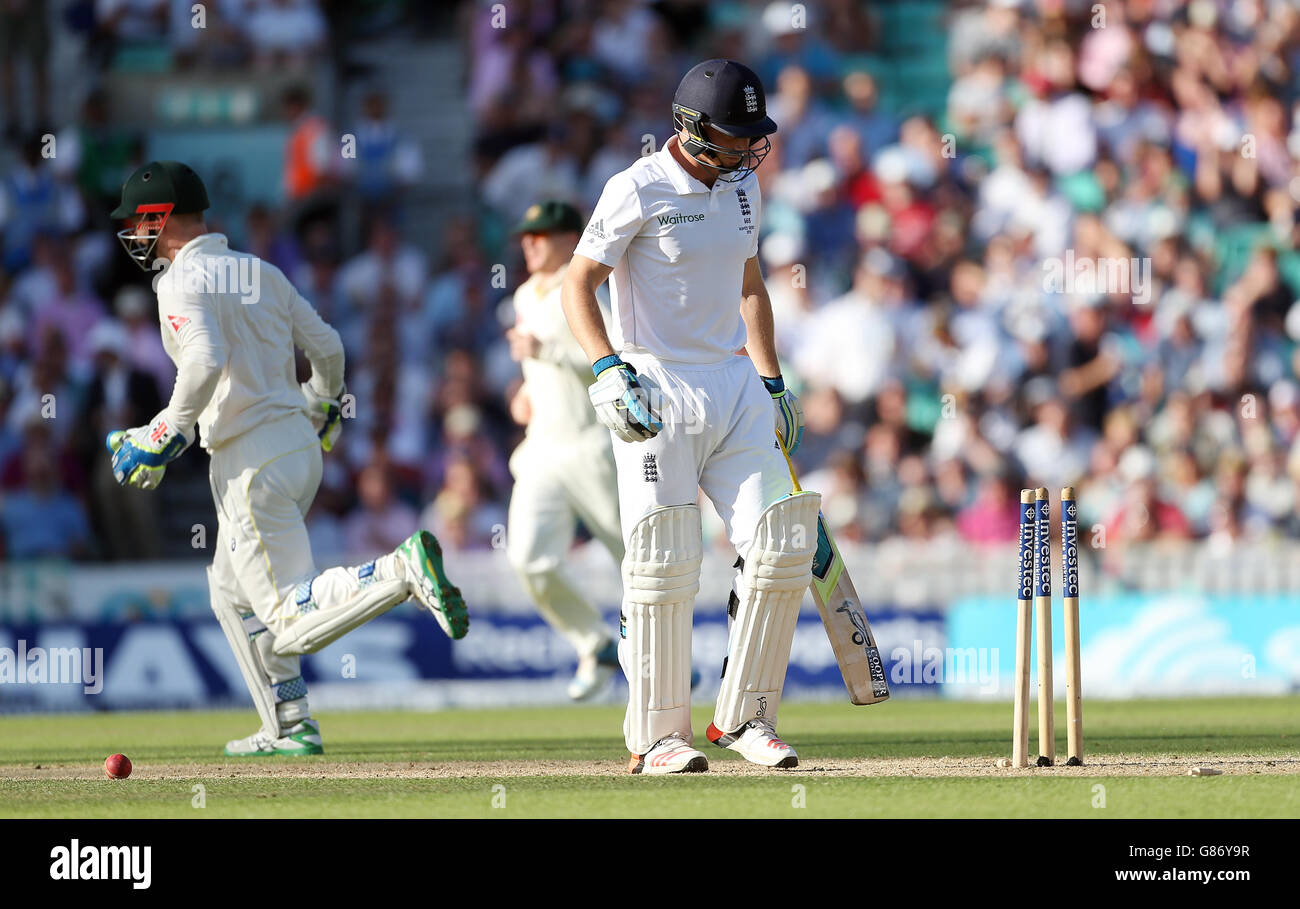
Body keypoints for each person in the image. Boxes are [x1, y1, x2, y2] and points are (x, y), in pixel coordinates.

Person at [106, 161, 468, 756]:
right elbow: (327, 344)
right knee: (229, 591)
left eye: (137, 222)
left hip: (250, 462)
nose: (133, 236)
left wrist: (164, 432)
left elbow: (203, 359)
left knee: (287, 617)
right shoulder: (258, 271)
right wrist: (323, 403)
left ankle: (399, 571)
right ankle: (290, 722)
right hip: (297, 448)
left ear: (159, 217)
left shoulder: (179, 279)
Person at [561, 60, 813, 774]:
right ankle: (656, 736)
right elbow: (578, 283)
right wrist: (608, 369)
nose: (747, 151)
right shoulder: (635, 188)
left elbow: (750, 284)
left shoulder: (744, 187)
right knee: (665, 560)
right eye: (735, 138)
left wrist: (772, 381)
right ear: (693, 127)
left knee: (780, 541)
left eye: (752, 138)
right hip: (656, 387)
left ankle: (746, 718)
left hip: (733, 381)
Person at [504, 201, 624, 700]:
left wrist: (545, 354)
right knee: (529, 558)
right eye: (526, 236)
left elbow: (613, 356)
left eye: (542, 234)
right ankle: (593, 642)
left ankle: (667, 660)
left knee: (635, 555)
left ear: (570, 239)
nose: (530, 243)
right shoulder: (524, 295)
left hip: (591, 444)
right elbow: (539, 367)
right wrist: (527, 391)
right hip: (542, 450)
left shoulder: (586, 288)